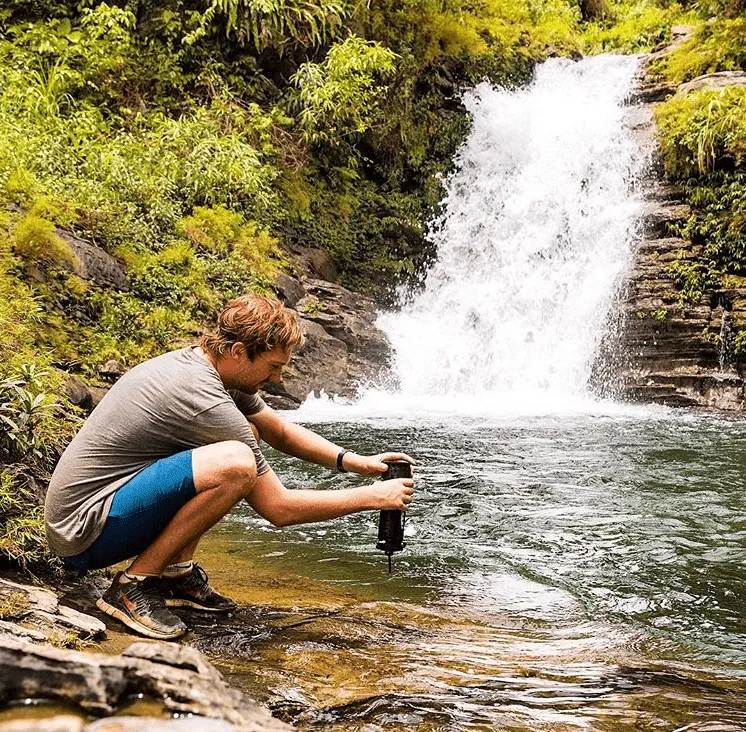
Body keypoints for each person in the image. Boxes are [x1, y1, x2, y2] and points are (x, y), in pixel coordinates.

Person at [44, 294, 415, 640]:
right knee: (236, 464)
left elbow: (280, 431)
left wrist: (355, 462)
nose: (277, 378)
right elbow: (278, 508)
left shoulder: (212, 368)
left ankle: (176, 575)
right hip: (84, 530)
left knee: (246, 437)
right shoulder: (201, 395)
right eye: (272, 366)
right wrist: (372, 497)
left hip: (99, 512)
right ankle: (132, 586)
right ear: (239, 351)